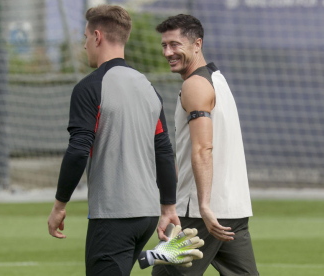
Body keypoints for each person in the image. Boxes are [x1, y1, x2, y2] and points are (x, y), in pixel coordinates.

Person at [47, 5, 181, 276]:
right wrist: (168, 206)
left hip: (114, 214)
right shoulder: (147, 87)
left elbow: (78, 150)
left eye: (85, 37)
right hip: (146, 214)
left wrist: (60, 205)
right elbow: (163, 150)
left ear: (97, 37)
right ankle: (157, 255)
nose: (84, 45)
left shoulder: (90, 87)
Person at [152, 14, 259, 276]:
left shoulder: (195, 85)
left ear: (197, 44)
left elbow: (203, 149)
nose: (168, 52)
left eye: (175, 44)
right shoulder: (217, 80)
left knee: (164, 274)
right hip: (232, 210)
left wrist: (204, 207)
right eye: (164, 45)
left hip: (200, 214)